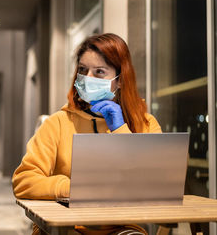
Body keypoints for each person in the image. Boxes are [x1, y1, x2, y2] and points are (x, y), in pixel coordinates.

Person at [12, 33, 162, 235]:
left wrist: (120, 130)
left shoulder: (145, 124)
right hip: (66, 228)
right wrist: (75, 188)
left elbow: (156, 183)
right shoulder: (57, 123)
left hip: (121, 229)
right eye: (82, 70)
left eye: (99, 72)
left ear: (120, 80)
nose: (87, 78)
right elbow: (23, 182)